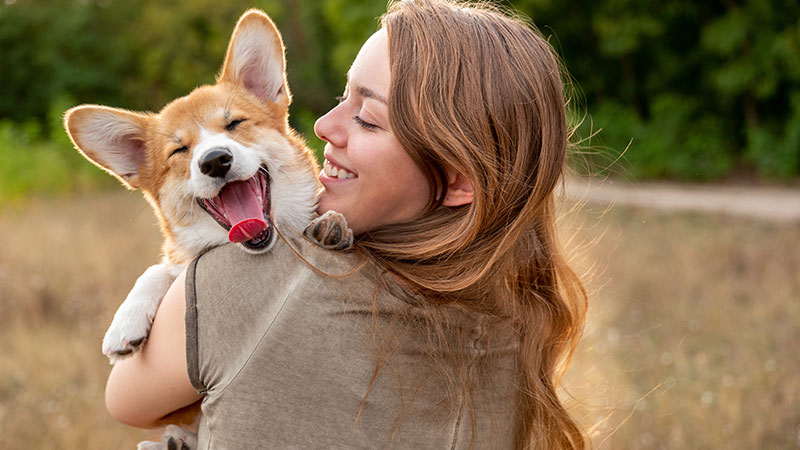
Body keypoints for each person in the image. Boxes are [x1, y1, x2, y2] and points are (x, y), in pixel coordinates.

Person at [105, 0, 588, 448]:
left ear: (458, 179)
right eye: (342, 95)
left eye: (369, 119)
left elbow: (125, 401)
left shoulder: (241, 285)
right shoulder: (519, 328)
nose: (321, 126)